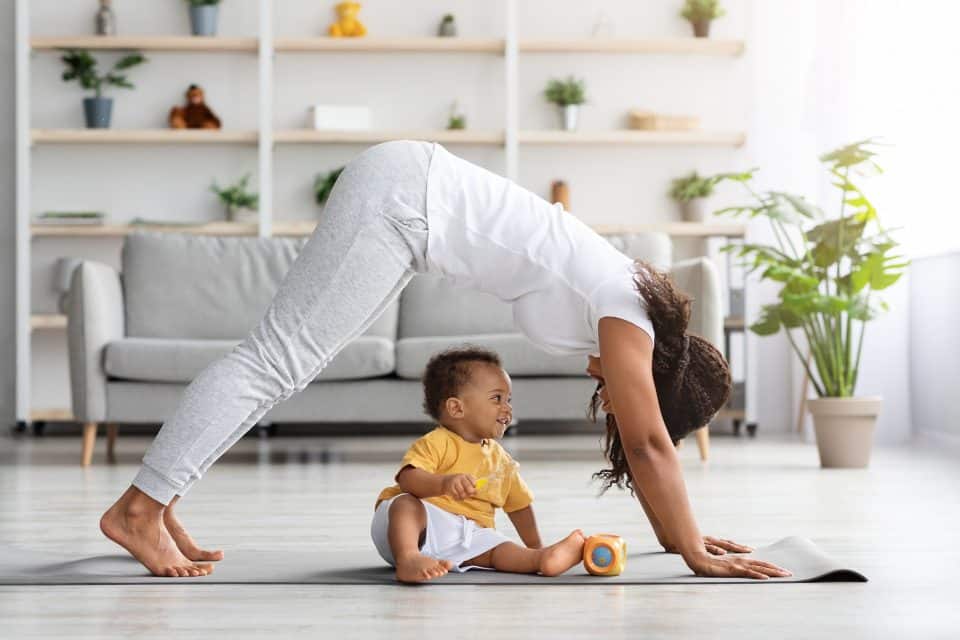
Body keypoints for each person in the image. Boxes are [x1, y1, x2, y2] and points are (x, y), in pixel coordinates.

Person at [100, 140, 791, 580]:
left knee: (286, 365)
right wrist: (696, 549)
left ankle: (158, 505)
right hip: (404, 200)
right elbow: (646, 445)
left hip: (409, 210)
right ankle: (139, 508)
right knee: (275, 361)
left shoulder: (623, 311)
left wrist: (680, 542)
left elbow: (645, 443)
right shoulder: (627, 313)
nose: (610, 400)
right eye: (634, 396)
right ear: (659, 380)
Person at [372, 347, 585, 583]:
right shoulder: (438, 442)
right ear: (457, 408)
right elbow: (407, 479)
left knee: (498, 549)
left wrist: (535, 545)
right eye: (497, 398)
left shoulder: (502, 462)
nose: (508, 408)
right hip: (410, 530)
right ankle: (408, 558)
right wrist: (443, 483)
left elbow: (519, 506)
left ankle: (540, 559)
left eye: (508, 399)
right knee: (405, 504)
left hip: (465, 536)